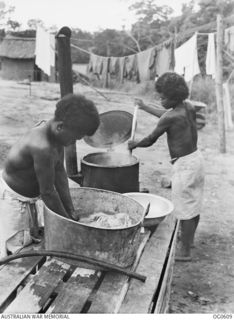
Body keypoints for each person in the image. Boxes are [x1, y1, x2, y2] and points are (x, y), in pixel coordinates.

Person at [0, 93, 100, 258]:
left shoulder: (55, 134)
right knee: (16, 251)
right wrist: (67, 223)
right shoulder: (42, 147)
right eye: (75, 138)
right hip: (13, 199)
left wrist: (71, 210)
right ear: (60, 126)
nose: (74, 142)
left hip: (30, 197)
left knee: (33, 239)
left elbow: (60, 173)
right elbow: (48, 192)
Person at [128, 72, 205, 261]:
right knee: (193, 205)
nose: (160, 100)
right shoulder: (187, 107)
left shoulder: (169, 118)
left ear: (173, 97)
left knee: (184, 210)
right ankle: (189, 240)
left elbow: (150, 140)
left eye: (163, 98)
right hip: (196, 160)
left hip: (184, 167)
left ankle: (185, 251)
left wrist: (134, 143)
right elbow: (167, 114)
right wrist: (145, 107)